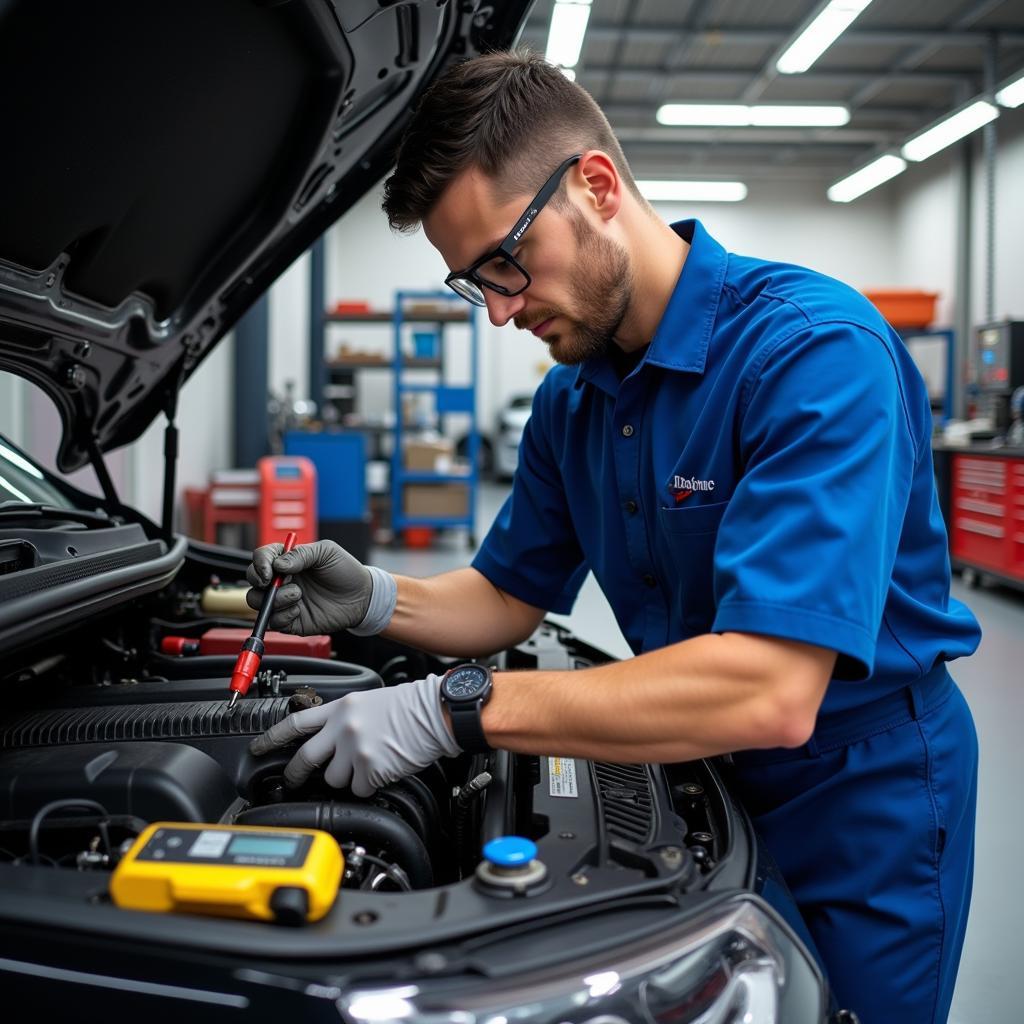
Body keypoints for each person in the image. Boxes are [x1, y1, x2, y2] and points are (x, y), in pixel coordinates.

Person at [246, 50, 981, 1024]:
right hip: (696, 762)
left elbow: (770, 688)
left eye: (506, 262)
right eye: (476, 284)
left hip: (858, 800)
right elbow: (509, 593)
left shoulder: (811, 353)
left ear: (594, 184)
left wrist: (451, 709)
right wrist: (381, 598)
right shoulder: (573, 399)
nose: (501, 309)